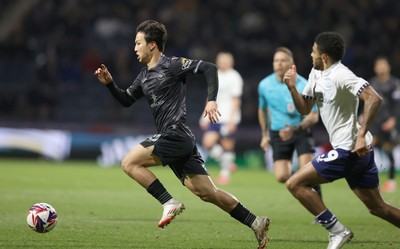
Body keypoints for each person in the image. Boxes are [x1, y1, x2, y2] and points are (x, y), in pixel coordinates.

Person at [94, 20, 270, 249]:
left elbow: (209, 68)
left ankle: (168, 202)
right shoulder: (144, 76)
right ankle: (255, 222)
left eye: (138, 43)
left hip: (175, 134)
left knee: (129, 163)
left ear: (152, 45)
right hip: (178, 140)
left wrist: (212, 100)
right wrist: (109, 84)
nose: (134, 48)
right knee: (208, 193)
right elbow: (127, 100)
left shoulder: (173, 65)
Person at [283, 31, 400, 249]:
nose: (310, 54)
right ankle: (338, 231)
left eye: (314, 51)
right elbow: (304, 108)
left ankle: (337, 231)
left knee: (295, 183)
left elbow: (374, 98)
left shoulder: (341, 75)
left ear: (324, 56)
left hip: (349, 149)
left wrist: (361, 135)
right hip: (353, 152)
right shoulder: (316, 73)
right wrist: (292, 88)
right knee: (378, 208)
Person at [258, 47, 321, 196]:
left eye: (283, 60)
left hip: (301, 131)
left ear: (291, 63)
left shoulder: (304, 84)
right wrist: (264, 134)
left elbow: (313, 116)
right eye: (276, 60)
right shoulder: (264, 85)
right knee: (281, 176)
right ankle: (300, 179)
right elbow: (262, 110)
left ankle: (321, 212)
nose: (279, 64)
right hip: (277, 132)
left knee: (308, 171)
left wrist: (295, 128)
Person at [199, 52, 243, 185]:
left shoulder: (235, 77)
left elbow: (236, 99)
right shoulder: (214, 74)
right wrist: (204, 115)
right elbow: (210, 97)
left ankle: (225, 175)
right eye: (221, 60)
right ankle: (228, 164)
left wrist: (232, 119)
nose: (223, 62)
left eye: (226, 60)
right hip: (214, 115)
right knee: (207, 143)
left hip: (228, 116)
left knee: (227, 145)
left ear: (231, 62)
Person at [369, 56, 400, 192]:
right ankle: (370, 180)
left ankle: (392, 180)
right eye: (378, 65)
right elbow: (367, 102)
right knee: (369, 146)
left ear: (388, 67)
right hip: (375, 121)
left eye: (383, 65)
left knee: (388, 148)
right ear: (375, 68)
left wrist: (393, 120)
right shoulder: (372, 84)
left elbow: (398, 105)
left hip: (390, 122)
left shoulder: (395, 84)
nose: (381, 68)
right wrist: (363, 116)